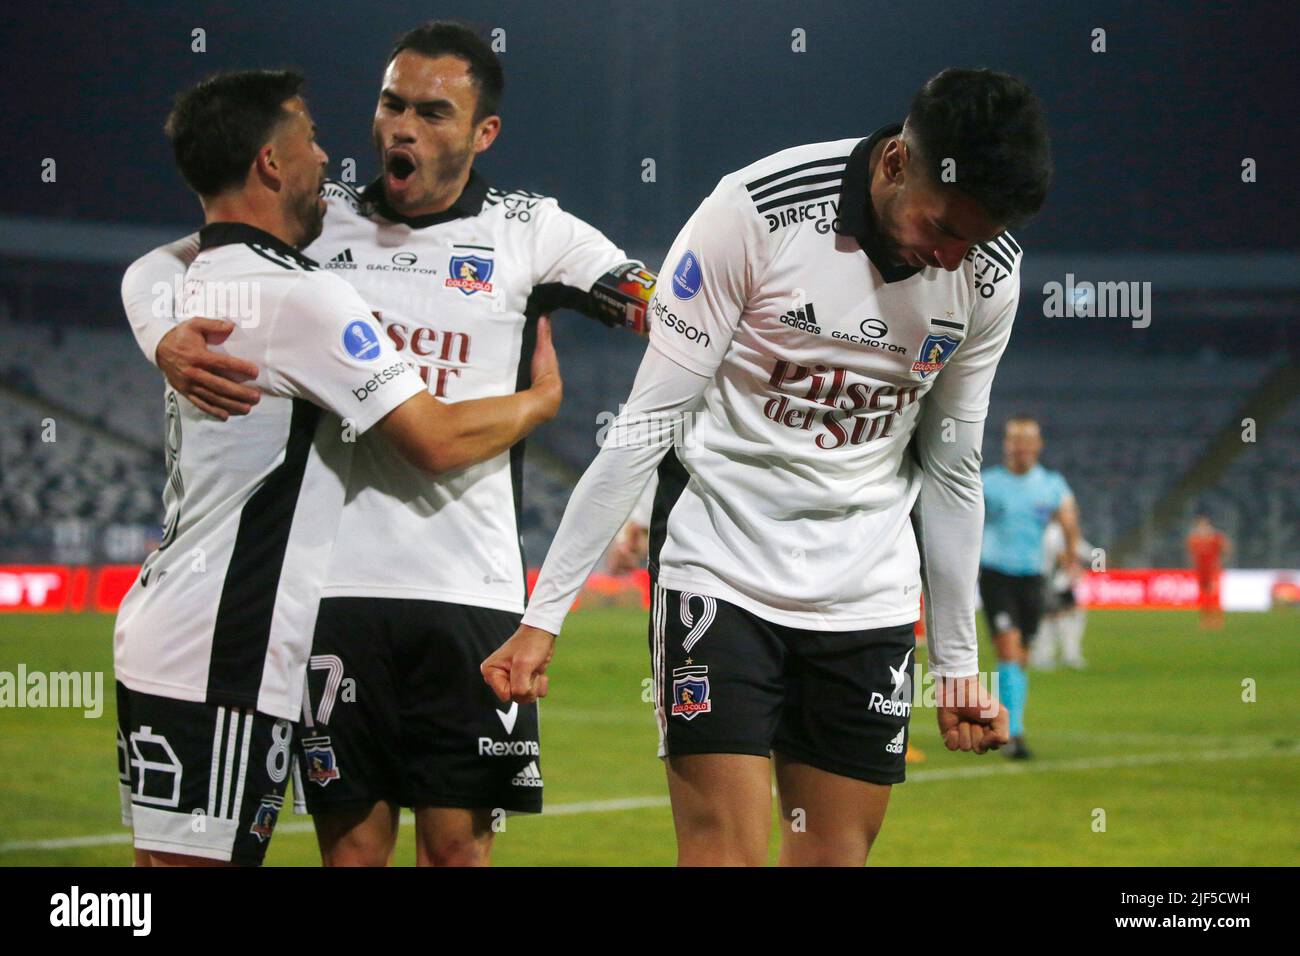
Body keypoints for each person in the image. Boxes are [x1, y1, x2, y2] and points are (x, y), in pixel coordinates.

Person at [483, 67, 1052, 866]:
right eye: (942, 226)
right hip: (722, 570)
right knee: (728, 856)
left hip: (866, 597)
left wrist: (957, 667)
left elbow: (953, 467)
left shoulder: (988, 272)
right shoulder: (756, 211)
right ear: (894, 163)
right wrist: (544, 618)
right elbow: (647, 423)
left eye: (973, 239)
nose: (949, 256)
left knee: (831, 858)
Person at [121, 21, 654, 867]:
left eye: (434, 113)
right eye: (390, 104)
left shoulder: (533, 232)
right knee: (354, 857)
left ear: (484, 134)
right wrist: (162, 336)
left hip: (470, 590)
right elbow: (161, 264)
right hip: (334, 591)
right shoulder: (314, 221)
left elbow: (655, 304)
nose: (402, 127)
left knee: (458, 856)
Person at [979, 417, 1081, 759]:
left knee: (1021, 657)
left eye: (1027, 440)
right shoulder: (987, 483)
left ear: (1038, 446)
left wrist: (1071, 554)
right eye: (1014, 440)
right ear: (1005, 444)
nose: (1020, 446)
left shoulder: (1051, 485)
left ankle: (1013, 721)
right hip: (995, 575)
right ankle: (1013, 734)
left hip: (1032, 579)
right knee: (1007, 649)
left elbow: (1069, 519)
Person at [1031, 519, 1090, 670]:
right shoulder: (1055, 532)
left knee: (1057, 616)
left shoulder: (1052, 530)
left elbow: (1085, 551)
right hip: (1052, 582)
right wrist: (1071, 569)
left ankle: (1054, 655)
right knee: (1057, 617)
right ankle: (1060, 655)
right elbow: (1062, 554)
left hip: (1049, 581)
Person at [1187, 515, 1231, 629]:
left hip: (1212, 570)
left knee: (1213, 595)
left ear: (1208, 525)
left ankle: (1217, 620)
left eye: (1204, 525)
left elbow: (1226, 547)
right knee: (1203, 596)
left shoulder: (1215, 537)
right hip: (1201, 571)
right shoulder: (1195, 539)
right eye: (1200, 525)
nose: (1202, 527)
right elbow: (1191, 552)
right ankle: (1205, 620)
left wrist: (1220, 560)